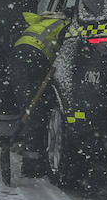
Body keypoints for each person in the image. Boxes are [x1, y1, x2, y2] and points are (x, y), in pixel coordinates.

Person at [7, 11, 68, 177]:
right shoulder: (64, 27)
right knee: (35, 112)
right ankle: (32, 165)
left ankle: (31, 155)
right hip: (34, 59)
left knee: (29, 106)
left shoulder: (41, 21)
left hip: (18, 56)